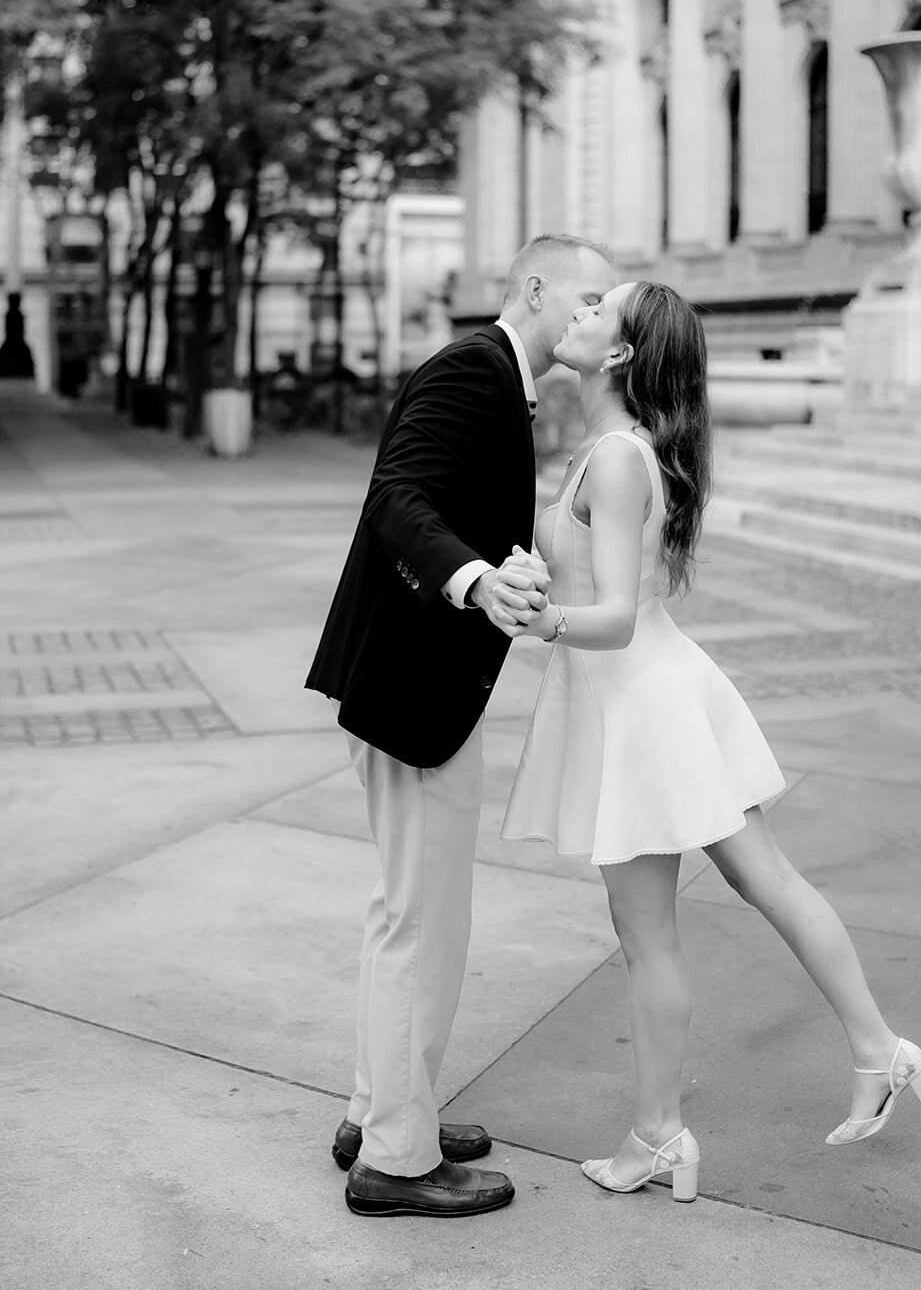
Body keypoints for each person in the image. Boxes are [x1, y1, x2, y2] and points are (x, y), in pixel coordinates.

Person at [498, 281, 921, 1202]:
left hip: (641, 700)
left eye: (595, 308)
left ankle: (662, 1134)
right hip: (647, 693)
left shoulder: (617, 457)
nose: (576, 313)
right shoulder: (609, 449)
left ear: (618, 355)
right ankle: (876, 1050)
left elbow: (614, 619)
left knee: (653, 931)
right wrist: (537, 576)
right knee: (756, 878)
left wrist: (536, 618)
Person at [305, 234, 617, 1218]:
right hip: (409, 692)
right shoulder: (471, 370)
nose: (595, 313)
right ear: (534, 286)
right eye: (587, 293)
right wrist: (475, 577)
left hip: (413, 685)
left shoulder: (500, 379)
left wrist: (501, 570)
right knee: (423, 927)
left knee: (406, 914)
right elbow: (396, 496)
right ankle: (396, 1161)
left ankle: (381, 1109)